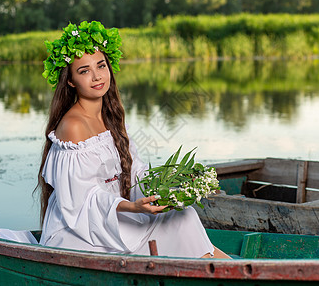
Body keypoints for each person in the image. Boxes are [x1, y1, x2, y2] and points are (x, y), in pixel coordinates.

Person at [35, 21, 229, 259]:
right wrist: (132, 207)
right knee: (180, 223)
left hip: (112, 215)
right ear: (71, 80)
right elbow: (81, 201)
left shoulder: (111, 117)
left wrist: (169, 187)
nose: (97, 77)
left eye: (101, 66)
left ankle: (233, 271)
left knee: (184, 215)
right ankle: (235, 273)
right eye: (84, 71)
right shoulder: (73, 126)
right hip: (83, 228)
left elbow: (133, 170)